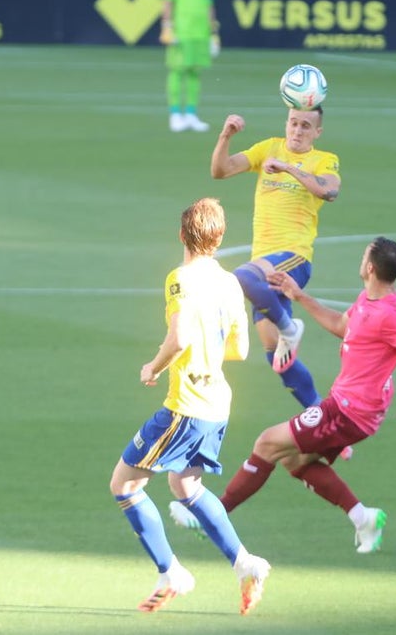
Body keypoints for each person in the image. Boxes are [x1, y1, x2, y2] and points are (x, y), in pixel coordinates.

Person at [173, 237, 396, 554]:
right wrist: (299, 296)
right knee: (293, 460)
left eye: (364, 255)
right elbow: (341, 325)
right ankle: (363, 517)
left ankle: (210, 517)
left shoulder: (392, 314)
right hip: (344, 406)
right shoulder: (368, 300)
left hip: (351, 412)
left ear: (370, 267)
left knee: (267, 443)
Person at [108, 197, 271, 615]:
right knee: (185, 486)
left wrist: (154, 367)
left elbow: (178, 339)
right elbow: (240, 347)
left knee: (124, 485)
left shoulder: (180, 278)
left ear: (183, 235)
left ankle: (171, 572)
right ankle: (245, 562)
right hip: (218, 402)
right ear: (219, 239)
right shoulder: (231, 282)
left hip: (187, 404)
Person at [209, 108, 340, 415]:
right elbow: (221, 170)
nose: (297, 130)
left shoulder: (324, 159)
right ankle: (321, 417)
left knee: (242, 276)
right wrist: (226, 135)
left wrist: (287, 167)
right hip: (264, 262)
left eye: (306, 126)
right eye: (293, 123)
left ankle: (290, 328)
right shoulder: (268, 147)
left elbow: (329, 190)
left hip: (293, 257)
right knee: (277, 358)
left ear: (317, 132)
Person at [159, 0, 220, 133]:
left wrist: (213, 32)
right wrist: (167, 26)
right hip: (181, 32)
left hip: (200, 34)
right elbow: (168, 1)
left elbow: (210, 5)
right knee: (177, 71)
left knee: (196, 72)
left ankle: (191, 114)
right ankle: (175, 114)